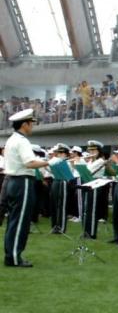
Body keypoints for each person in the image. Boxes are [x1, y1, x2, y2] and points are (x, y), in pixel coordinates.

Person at [3, 109, 50, 267]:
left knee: (14, 220)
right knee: (20, 221)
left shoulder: (11, 139)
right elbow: (29, 163)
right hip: (21, 181)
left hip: (13, 181)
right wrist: (49, 162)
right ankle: (14, 257)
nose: (32, 127)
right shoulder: (22, 141)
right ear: (24, 124)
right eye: (31, 124)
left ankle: (11, 254)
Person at [81, 140, 107, 239]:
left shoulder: (100, 161)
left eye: (93, 150)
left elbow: (88, 171)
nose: (91, 152)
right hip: (88, 184)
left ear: (98, 151)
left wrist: (80, 161)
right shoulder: (91, 160)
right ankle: (85, 231)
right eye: (90, 150)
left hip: (96, 184)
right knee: (86, 209)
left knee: (92, 210)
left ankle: (91, 233)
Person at [49, 144, 71, 234]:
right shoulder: (55, 161)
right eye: (59, 153)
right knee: (54, 204)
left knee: (62, 205)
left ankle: (61, 227)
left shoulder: (68, 162)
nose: (60, 154)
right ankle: (54, 226)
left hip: (63, 182)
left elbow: (70, 174)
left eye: (62, 153)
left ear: (66, 154)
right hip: (55, 181)